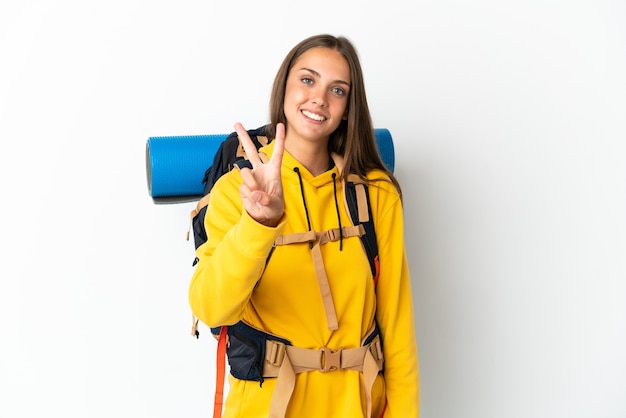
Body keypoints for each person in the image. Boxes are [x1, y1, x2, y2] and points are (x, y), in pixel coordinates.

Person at [188, 34, 419, 417]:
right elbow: (212, 308)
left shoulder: (376, 193)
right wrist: (259, 224)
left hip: (357, 406)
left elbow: (397, 326)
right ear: (284, 90)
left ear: (348, 108)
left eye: (337, 89)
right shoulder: (237, 189)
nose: (319, 98)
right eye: (307, 80)